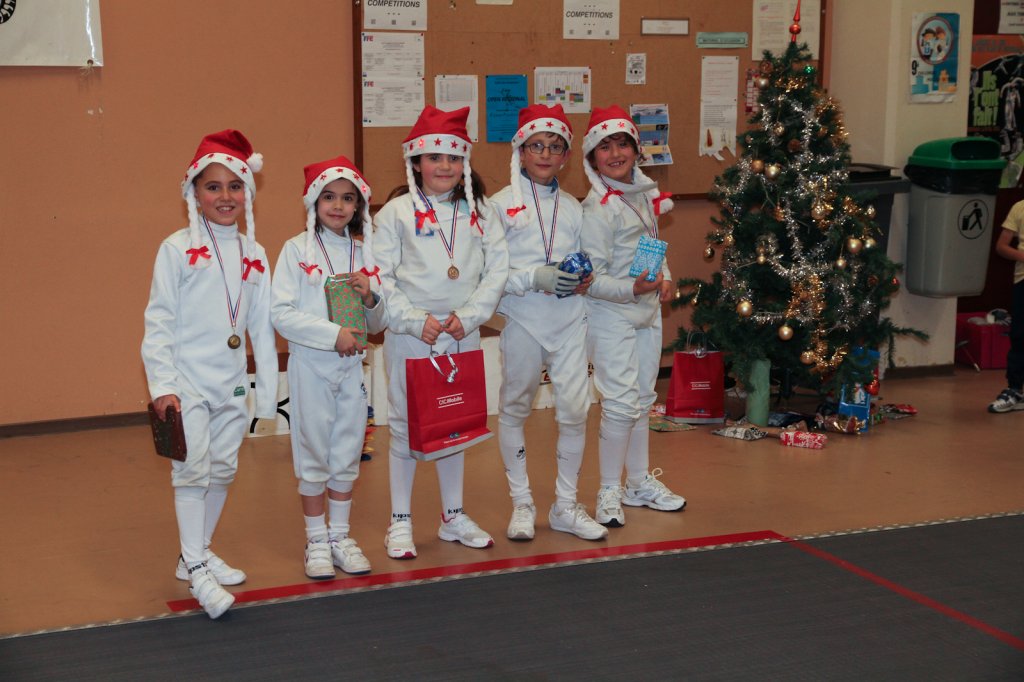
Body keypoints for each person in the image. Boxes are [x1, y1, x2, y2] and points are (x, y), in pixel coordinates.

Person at [142, 129, 278, 619]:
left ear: (248, 192)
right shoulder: (177, 249)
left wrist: (266, 395)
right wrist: (163, 386)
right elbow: (158, 321)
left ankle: (194, 552)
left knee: (223, 468)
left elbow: (261, 326)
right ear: (193, 192)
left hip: (231, 383)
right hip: (187, 384)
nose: (225, 196)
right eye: (213, 187)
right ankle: (198, 569)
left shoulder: (256, 254)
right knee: (191, 469)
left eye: (235, 186)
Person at [373, 105, 509, 559]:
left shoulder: (481, 212)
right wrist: (415, 320)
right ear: (416, 162)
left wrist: (470, 316)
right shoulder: (395, 214)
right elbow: (381, 275)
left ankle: (453, 516)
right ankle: (399, 521)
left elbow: (496, 271)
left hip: (461, 331)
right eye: (434, 157)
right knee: (405, 425)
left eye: (453, 158)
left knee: (455, 424)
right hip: (412, 335)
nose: (444, 166)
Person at [487, 104, 606, 541]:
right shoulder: (498, 206)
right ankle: (522, 503)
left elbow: (586, 259)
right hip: (523, 319)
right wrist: (532, 278)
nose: (545, 154)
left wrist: (585, 277)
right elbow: (489, 277)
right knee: (515, 407)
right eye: (536, 146)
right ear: (520, 151)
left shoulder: (573, 207)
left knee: (575, 410)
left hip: (570, 320)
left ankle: (566, 506)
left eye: (555, 148)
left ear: (566, 157)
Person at [271, 155, 388, 579]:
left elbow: (379, 322)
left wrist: (371, 298)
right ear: (313, 202)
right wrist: (331, 334)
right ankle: (316, 539)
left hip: (353, 367)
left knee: (347, 450)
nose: (338, 206)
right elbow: (280, 313)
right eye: (329, 197)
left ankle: (340, 536)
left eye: (347, 198)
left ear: (358, 205)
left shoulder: (365, 253)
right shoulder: (295, 250)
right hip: (312, 366)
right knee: (314, 452)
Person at [579, 106, 687, 527]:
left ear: (636, 149)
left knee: (642, 400)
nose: (615, 154)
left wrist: (665, 277)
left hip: (646, 311)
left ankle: (638, 482)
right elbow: (592, 280)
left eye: (622, 144)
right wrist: (632, 289)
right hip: (611, 314)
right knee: (621, 403)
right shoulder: (597, 209)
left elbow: (652, 242)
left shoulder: (642, 192)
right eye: (604, 147)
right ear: (592, 157)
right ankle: (609, 489)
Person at [987, 201, 1024, 413]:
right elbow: (1001, 246)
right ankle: (1015, 391)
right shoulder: (1019, 208)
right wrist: (1022, 256)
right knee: (1020, 336)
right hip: (1023, 280)